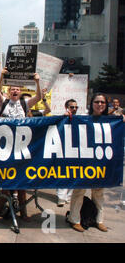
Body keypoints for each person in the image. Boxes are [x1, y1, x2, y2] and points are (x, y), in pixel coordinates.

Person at [0, 68, 42, 221]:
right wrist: (1, 76)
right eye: (12, 89)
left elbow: (39, 97)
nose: (15, 90)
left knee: (21, 184)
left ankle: (23, 213)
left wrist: (37, 82)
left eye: (17, 89)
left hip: (21, 148)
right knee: (6, 184)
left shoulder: (25, 103)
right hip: (5, 149)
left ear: (20, 92)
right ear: (8, 91)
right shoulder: (4, 102)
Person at [67, 93, 110, 232]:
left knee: (99, 192)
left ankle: (99, 220)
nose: (100, 104)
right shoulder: (84, 119)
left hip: (101, 161)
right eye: (97, 102)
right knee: (79, 190)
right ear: (92, 104)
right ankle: (74, 219)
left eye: (102, 102)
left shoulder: (111, 120)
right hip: (84, 161)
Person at [56, 99, 78, 207]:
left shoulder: (81, 118)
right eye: (72, 107)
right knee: (63, 173)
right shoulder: (62, 117)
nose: (74, 109)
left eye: (76, 107)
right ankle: (61, 197)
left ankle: (68, 197)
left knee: (74, 173)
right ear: (66, 107)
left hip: (76, 150)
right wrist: (64, 117)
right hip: (63, 149)